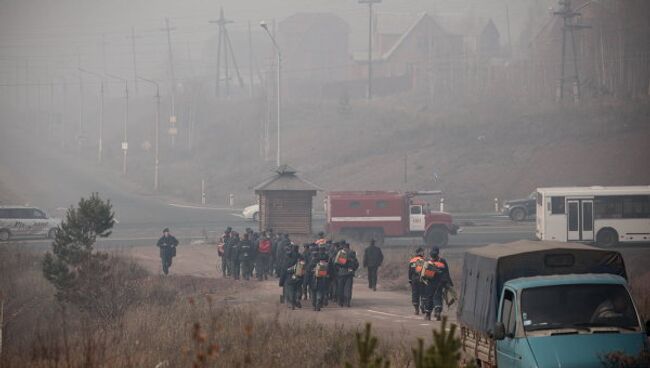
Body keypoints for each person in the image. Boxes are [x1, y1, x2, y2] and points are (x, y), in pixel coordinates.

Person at [421, 247, 452, 321]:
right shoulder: (443, 261)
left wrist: (423, 282)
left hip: (430, 282)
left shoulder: (428, 261)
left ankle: (428, 315)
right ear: (438, 253)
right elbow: (447, 273)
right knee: (438, 296)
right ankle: (438, 311)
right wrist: (449, 283)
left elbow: (423, 274)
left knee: (429, 297)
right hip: (440, 282)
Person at [334, 241, 359, 307]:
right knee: (348, 288)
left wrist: (337, 271)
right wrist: (353, 270)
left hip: (341, 273)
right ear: (349, 246)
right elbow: (356, 264)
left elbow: (336, 263)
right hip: (349, 273)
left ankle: (340, 302)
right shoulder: (352, 253)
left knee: (340, 288)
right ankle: (347, 302)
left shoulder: (340, 252)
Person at [408, 247, 426, 315]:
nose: (424, 253)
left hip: (414, 280)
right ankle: (423, 305)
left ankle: (416, 309)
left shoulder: (412, 260)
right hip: (422, 279)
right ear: (420, 252)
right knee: (423, 293)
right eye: (423, 252)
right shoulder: (422, 260)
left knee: (415, 293)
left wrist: (410, 280)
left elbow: (410, 272)